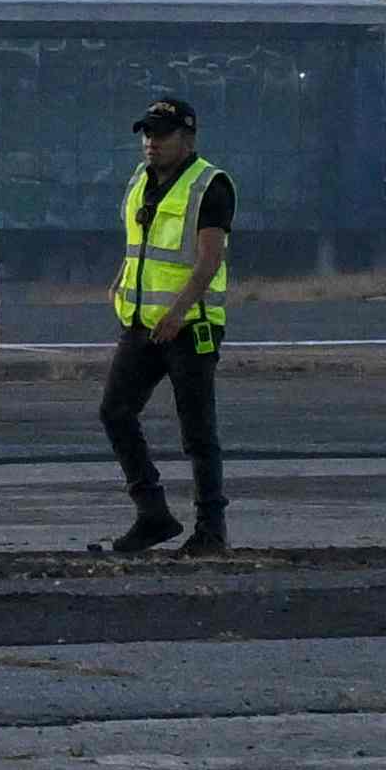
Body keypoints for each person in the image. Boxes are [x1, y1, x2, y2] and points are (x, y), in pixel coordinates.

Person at [98, 97, 241, 557]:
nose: (151, 143)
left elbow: (208, 260)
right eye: (147, 135)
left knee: (197, 431)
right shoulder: (141, 179)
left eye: (161, 135)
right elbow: (139, 242)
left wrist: (178, 312)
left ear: (188, 137)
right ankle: (152, 512)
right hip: (141, 322)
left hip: (189, 326)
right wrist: (120, 281)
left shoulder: (209, 186)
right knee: (115, 411)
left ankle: (211, 528)